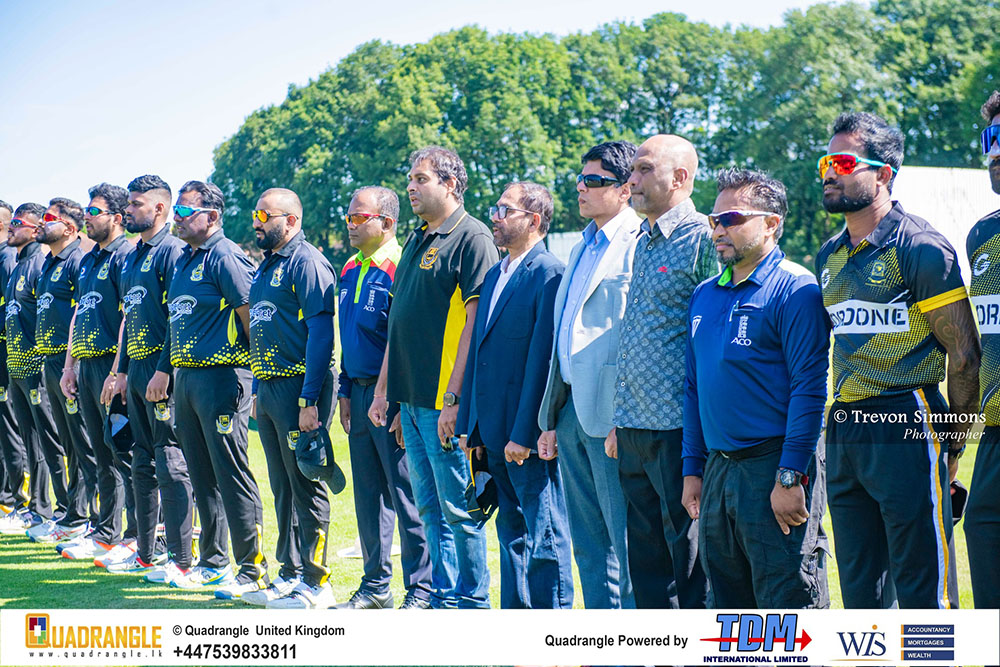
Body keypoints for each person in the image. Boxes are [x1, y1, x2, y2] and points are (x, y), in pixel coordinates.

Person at [816, 111, 980, 609]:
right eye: (826, 162)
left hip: (906, 417)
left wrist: (954, 443)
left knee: (923, 591)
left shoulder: (921, 247)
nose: (830, 172)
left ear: (884, 174)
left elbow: (965, 356)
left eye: (845, 162)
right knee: (861, 596)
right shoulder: (829, 255)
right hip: (845, 425)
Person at [681, 168, 831, 608]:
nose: (718, 229)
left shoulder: (796, 290)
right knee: (729, 610)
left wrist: (790, 475)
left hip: (774, 467)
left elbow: (809, 390)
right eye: (714, 219)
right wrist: (693, 469)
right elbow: (693, 387)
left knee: (788, 607)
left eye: (731, 218)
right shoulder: (704, 294)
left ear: (770, 223)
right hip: (718, 471)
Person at [369, 146, 498, 608]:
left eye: (421, 179)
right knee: (429, 508)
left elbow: (474, 327)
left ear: (450, 184)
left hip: (444, 402)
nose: (410, 186)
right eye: (410, 178)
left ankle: (471, 602)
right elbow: (399, 324)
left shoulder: (472, 237)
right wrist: (387, 393)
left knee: (460, 510)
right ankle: (441, 598)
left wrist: (455, 399)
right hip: (411, 402)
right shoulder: (417, 238)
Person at [456, 182, 572, 609]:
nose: (495, 216)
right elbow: (479, 352)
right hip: (491, 434)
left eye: (505, 210)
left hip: (526, 438)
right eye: (496, 208)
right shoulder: (494, 274)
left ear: (534, 220)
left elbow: (543, 362)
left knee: (544, 537)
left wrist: (525, 434)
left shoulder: (549, 273)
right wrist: (471, 427)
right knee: (511, 538)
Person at [610, 134, 713, 609]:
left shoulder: (703, 238)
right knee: (647, 564)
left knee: (688, 562)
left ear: (680, 178)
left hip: (678, 429)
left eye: (644, 169)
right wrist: (620, 418)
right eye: (633, 169)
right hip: (634, 427)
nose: (631, 179)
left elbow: (711, 337)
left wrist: (701, 437)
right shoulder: (643, 240)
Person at [537, 141, 639, 609]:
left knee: (626, 542)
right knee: (588, 545)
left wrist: (625, 414)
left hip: (613, 415)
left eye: (594, 181)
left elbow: (637, 337)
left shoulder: (639, 242)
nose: (581, 187)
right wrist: (551, 418)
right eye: (581, 179)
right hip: (570, 412)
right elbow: (566, 333)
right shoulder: (581, 245)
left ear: (625, 189)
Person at [153, 180, 266, 593]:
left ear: (212, 216)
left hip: (223, 378)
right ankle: (214, 562)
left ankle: (252, 570)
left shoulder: (225, 256)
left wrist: (256, 380)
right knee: (201, 475)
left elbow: (252, 317)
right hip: (187, 380)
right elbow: (175, 322)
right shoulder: (185, 258)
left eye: (185, 211)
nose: (177, 218)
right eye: (177, 211)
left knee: (230, 472)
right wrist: (165, 370)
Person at [336, 186, 432, 610]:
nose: (350, 224)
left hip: (390, 398)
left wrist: (396, 401)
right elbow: (348, 335)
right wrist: (344, 389)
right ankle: (375, 587)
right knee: (368, 496)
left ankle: (422, 590)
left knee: (406, 495)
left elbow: (408, 340)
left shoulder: (401, 266)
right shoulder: (349, 267)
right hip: (357, 395)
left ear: (387, 223)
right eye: (349, 217)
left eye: (359, 218)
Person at [247, 187, 339, 608]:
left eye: (265, 215)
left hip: (299, 387)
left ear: (291, 220)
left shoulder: (307, 262)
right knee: (282, 486)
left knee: (306, 483)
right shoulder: (267, 264)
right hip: (269, 388)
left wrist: (309, 400)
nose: (257, 222)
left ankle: (317, 583)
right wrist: (256, 388)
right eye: (256, 214)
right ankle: (290, 573)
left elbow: (321, 334)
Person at [100, 175, 194, 577]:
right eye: (128, 203)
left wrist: (163, 369)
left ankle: (182, 557)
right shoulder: (131, 255)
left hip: (162, 371)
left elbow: (178, 318)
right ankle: (145, 551)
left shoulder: (173, 251)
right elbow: (128, 318)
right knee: (140, 461)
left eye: (136, 204)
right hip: (136, 371)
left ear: (160, 208)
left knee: (170, 462)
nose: (128, 210)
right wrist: (120, 371)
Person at [58, 184, 137, 566]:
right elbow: (78, 314)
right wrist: (69, 366)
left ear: (116, 218)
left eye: (94, 211)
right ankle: (105, 532)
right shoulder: (89, 260)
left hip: (111, 367)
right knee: (100, 454)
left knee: (124, 452)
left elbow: (128, 317)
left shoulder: (125, 257)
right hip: (86, 366)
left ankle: (137, 536)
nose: (87, 217)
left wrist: (117, 370)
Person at [26, 198, 91, 544]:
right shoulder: (50, 263)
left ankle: (86, 519)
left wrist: (72, 365)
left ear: (69, 228)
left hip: (72, 363)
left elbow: (82, 316)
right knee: (68, 442)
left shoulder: (77, 261)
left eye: (49, 218)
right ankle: (71, 513)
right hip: (50, 362)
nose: (41, 222)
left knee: (83, 444)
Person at [964, 89, 1000, 609]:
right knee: (983, 533)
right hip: (994, 434)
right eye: (991, 137)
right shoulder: (982, 235)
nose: (996, 150)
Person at [0, 203, 55, 531]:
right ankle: (29, 506)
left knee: (43, 439)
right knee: (27, 438)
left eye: (18, 223)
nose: (12, 227)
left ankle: (40, 508)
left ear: (35, 230)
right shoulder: (18, 263)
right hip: (15, 364)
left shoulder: (34, 264)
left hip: (35, 364)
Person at [0, 200, 24, 521]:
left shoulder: (8, 258)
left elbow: (12, 309)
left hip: (10, 355)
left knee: (11, 429)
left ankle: (14, 500)